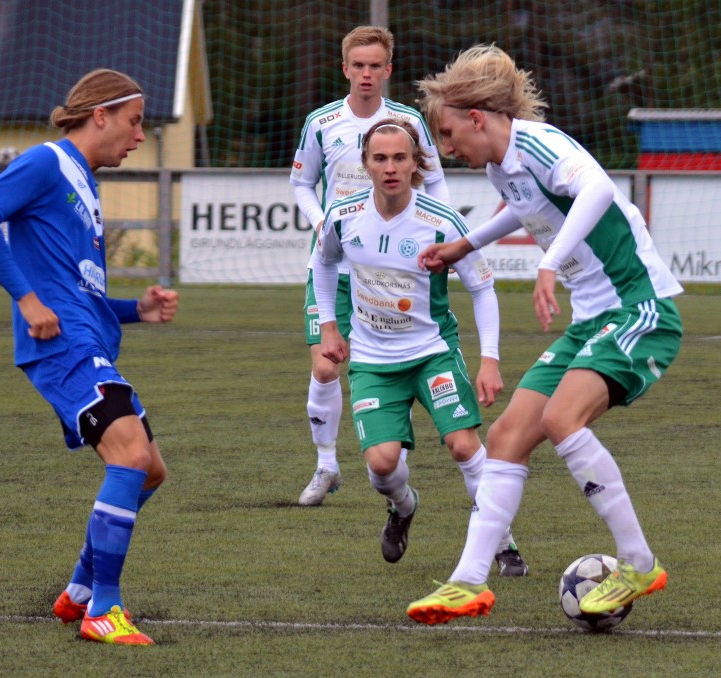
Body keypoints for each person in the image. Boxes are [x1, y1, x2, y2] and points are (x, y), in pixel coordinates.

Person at [406, 45, 684, 624]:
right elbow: (526, 207)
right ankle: (467, 583)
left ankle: (638, 563)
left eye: (449, 134)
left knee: (561, 419)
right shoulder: (499, 166)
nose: (447, 149)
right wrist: (466, 244)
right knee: (507, 434)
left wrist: (548, 265)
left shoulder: (538, 142)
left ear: (476, 118)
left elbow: (597, 189)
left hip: (640, 308)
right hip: (593, 320)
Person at [0, 69, 178, 645]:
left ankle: (80, 591)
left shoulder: (83, 182)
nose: (140, 136)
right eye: (134, 122)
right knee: (130, 455)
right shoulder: (47, 162)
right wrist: (26, 299)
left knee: (151, 469)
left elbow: (81, 291)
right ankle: (104, 609)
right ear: (100, 115)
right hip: (62, 347)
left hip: (88, 340)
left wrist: (137, 310)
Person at [313, 119, 526, 570]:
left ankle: (503, 543)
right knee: (382, 466)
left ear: (416, 164)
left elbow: (483, 288)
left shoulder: (442, 221)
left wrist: (490, 360)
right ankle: (403, 507)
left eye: (400, 158)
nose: (390, 167)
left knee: (464, 445)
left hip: (432, 352)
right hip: (373, 360)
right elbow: (324, 265)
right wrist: (329, 326)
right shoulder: (343, 216)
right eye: (380, 158)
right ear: (366, 164)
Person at [290, 26, 452, 507]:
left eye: (374, 65)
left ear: (387, 70)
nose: (366, 73)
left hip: (392, 268)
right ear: (345, 69)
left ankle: (390, 448)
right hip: (334, 265)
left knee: (400, 359)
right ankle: (326, 466)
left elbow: (436, 182)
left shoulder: (408, 122)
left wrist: (440, 239)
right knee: (325, 367)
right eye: (358, 65)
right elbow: (301, 183)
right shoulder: (321, 122)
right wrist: (321, 223)